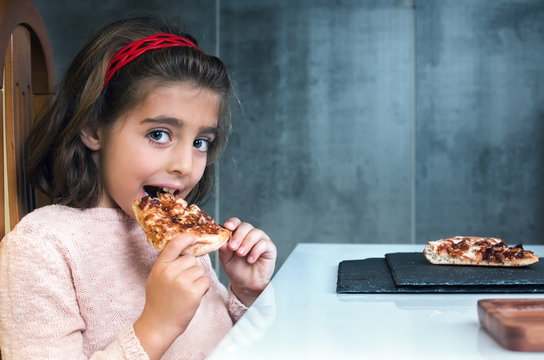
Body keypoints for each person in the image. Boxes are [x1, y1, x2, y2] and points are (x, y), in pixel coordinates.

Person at [0, 16, 276, 360]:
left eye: (201, 142)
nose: (185, 165)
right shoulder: (42, 247)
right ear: (94, 129)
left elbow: (226, 346)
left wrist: (248, 294)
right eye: (159, 134)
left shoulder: (177, 233)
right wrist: (155, 328)